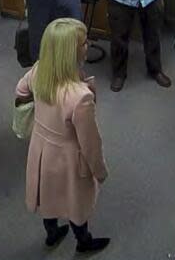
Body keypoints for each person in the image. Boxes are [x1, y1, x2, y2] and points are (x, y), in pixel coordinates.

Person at [16, 18, 110, 253]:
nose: (88, 45)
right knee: (75, 201)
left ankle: (52, 233)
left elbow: (21, 90)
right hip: (68, 158)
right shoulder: (80, 97)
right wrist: (100, 171)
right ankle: (84, 241)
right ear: (71, 52)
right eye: (84, 42)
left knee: (46, 195)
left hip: (41, 150)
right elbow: (90, 144)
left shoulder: (39, 71)